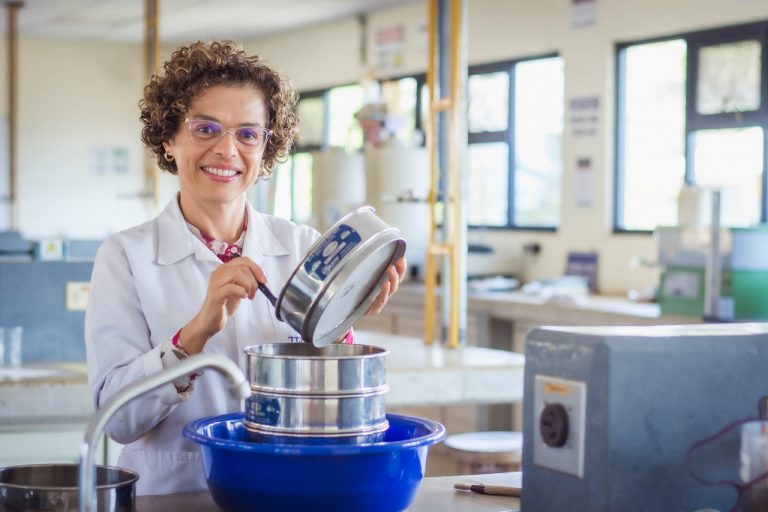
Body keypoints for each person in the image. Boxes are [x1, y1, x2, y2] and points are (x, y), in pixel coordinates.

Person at [85, 40, 406, 495]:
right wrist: (195, 332)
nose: (227, 150)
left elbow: (329, 403)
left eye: (248, 134)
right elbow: (117, 420)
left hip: (291, 489)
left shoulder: (302, 246)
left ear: (266, 148)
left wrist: (342, 320)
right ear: (168, 139)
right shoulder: (125, 257)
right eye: (205, 129)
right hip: (176, 495)